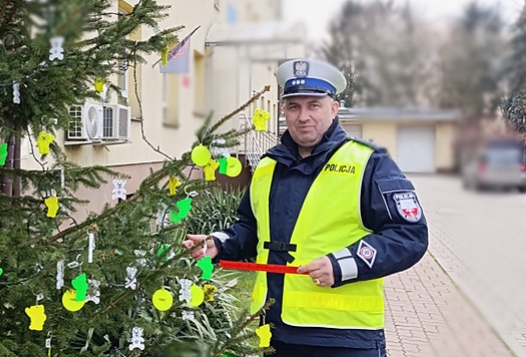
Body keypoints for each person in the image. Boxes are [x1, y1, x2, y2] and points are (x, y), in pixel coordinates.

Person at [183, 58, 428, 357]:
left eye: (314, 105)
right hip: (277, 332)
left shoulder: (369, 163)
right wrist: (218, 244)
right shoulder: (268, 166)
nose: (303, 116)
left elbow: (408, 235)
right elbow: (252, 228)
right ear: (284, 110)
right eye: (294, 106)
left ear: (334, 108)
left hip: (345, 340)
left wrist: (342, 264)